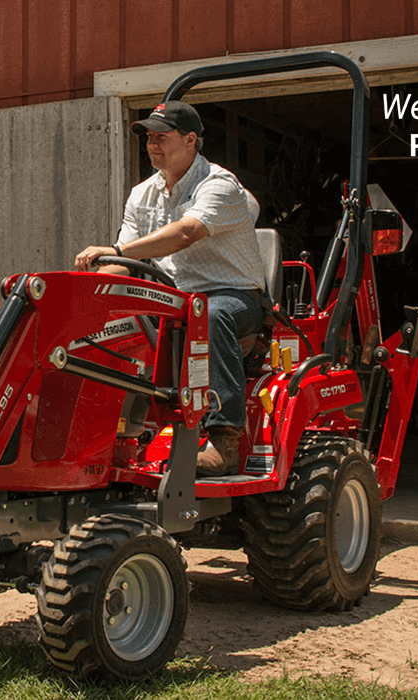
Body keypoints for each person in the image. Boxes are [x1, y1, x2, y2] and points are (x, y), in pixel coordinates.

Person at [75, 100, 264, 477]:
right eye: (148, 137)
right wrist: (83, 294)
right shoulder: (142, 194)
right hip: (170, 299)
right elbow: (125, 263)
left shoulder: (220, 185)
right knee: (112, 327)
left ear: (191, 140)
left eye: (161, 136)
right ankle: (112, 435)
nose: (151, 144)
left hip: (231, 297)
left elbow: (184, 233)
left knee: (208, 314)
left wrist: (113, 250)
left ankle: (223, 439)